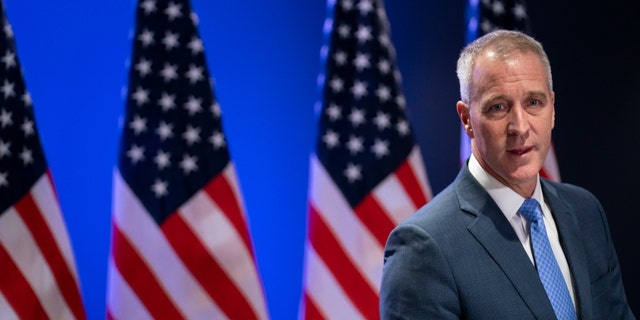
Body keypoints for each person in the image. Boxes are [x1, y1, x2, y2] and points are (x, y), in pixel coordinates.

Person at [379, 30, 636, 319]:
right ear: (467, 119)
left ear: (552, 108)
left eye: (534, 103)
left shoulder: (586, 211)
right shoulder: (423, 248)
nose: (520, 127)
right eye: (498, 107)